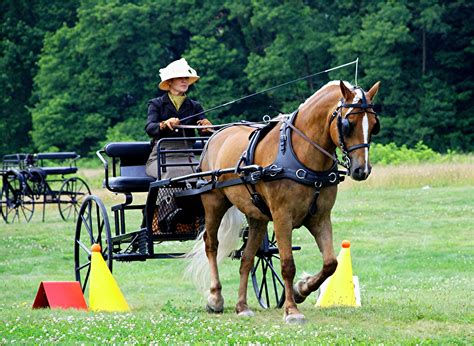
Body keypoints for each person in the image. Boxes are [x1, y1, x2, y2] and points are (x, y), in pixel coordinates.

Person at [145, 58, 212, 179]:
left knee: (203, 176)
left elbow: (204, 134)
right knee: (171, 175)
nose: (184, 81)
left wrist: (207, 128)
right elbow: (150, 128)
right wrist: (164, 124)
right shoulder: (156, 104)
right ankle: (168, 199)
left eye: (186, 78)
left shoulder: (195, 106)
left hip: (187, 156)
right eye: (180, 78)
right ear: (170, 81)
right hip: (161, 157)